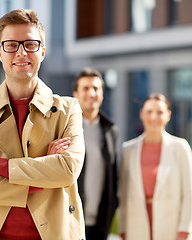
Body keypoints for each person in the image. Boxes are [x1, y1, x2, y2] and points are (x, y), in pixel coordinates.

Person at [0, 8, 86, 240]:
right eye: (11, 45)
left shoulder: (68, 109)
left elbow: (67, 170)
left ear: (42, 51)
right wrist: (43, 172)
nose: (21, 52)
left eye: (30, 44)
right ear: (0, 53)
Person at [119, 93, 192, 240]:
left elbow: (189, 194)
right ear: (141, 114)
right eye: (149, 112)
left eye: (159, 112)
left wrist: (185, 230)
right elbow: (123, 195)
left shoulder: (180, 147)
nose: (154, 117)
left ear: (168, 115)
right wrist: (123, 229)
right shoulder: (127, 150)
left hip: (171, 227)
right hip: (137, 226)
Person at [72, 67, 119, 240]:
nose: (91, 93)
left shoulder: (110, 130)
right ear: (75, 94)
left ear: (102, 94)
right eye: (86, 88)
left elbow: (112, 177)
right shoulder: (64, 128)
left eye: (96, 88)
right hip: (70, 219)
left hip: (100, 223)